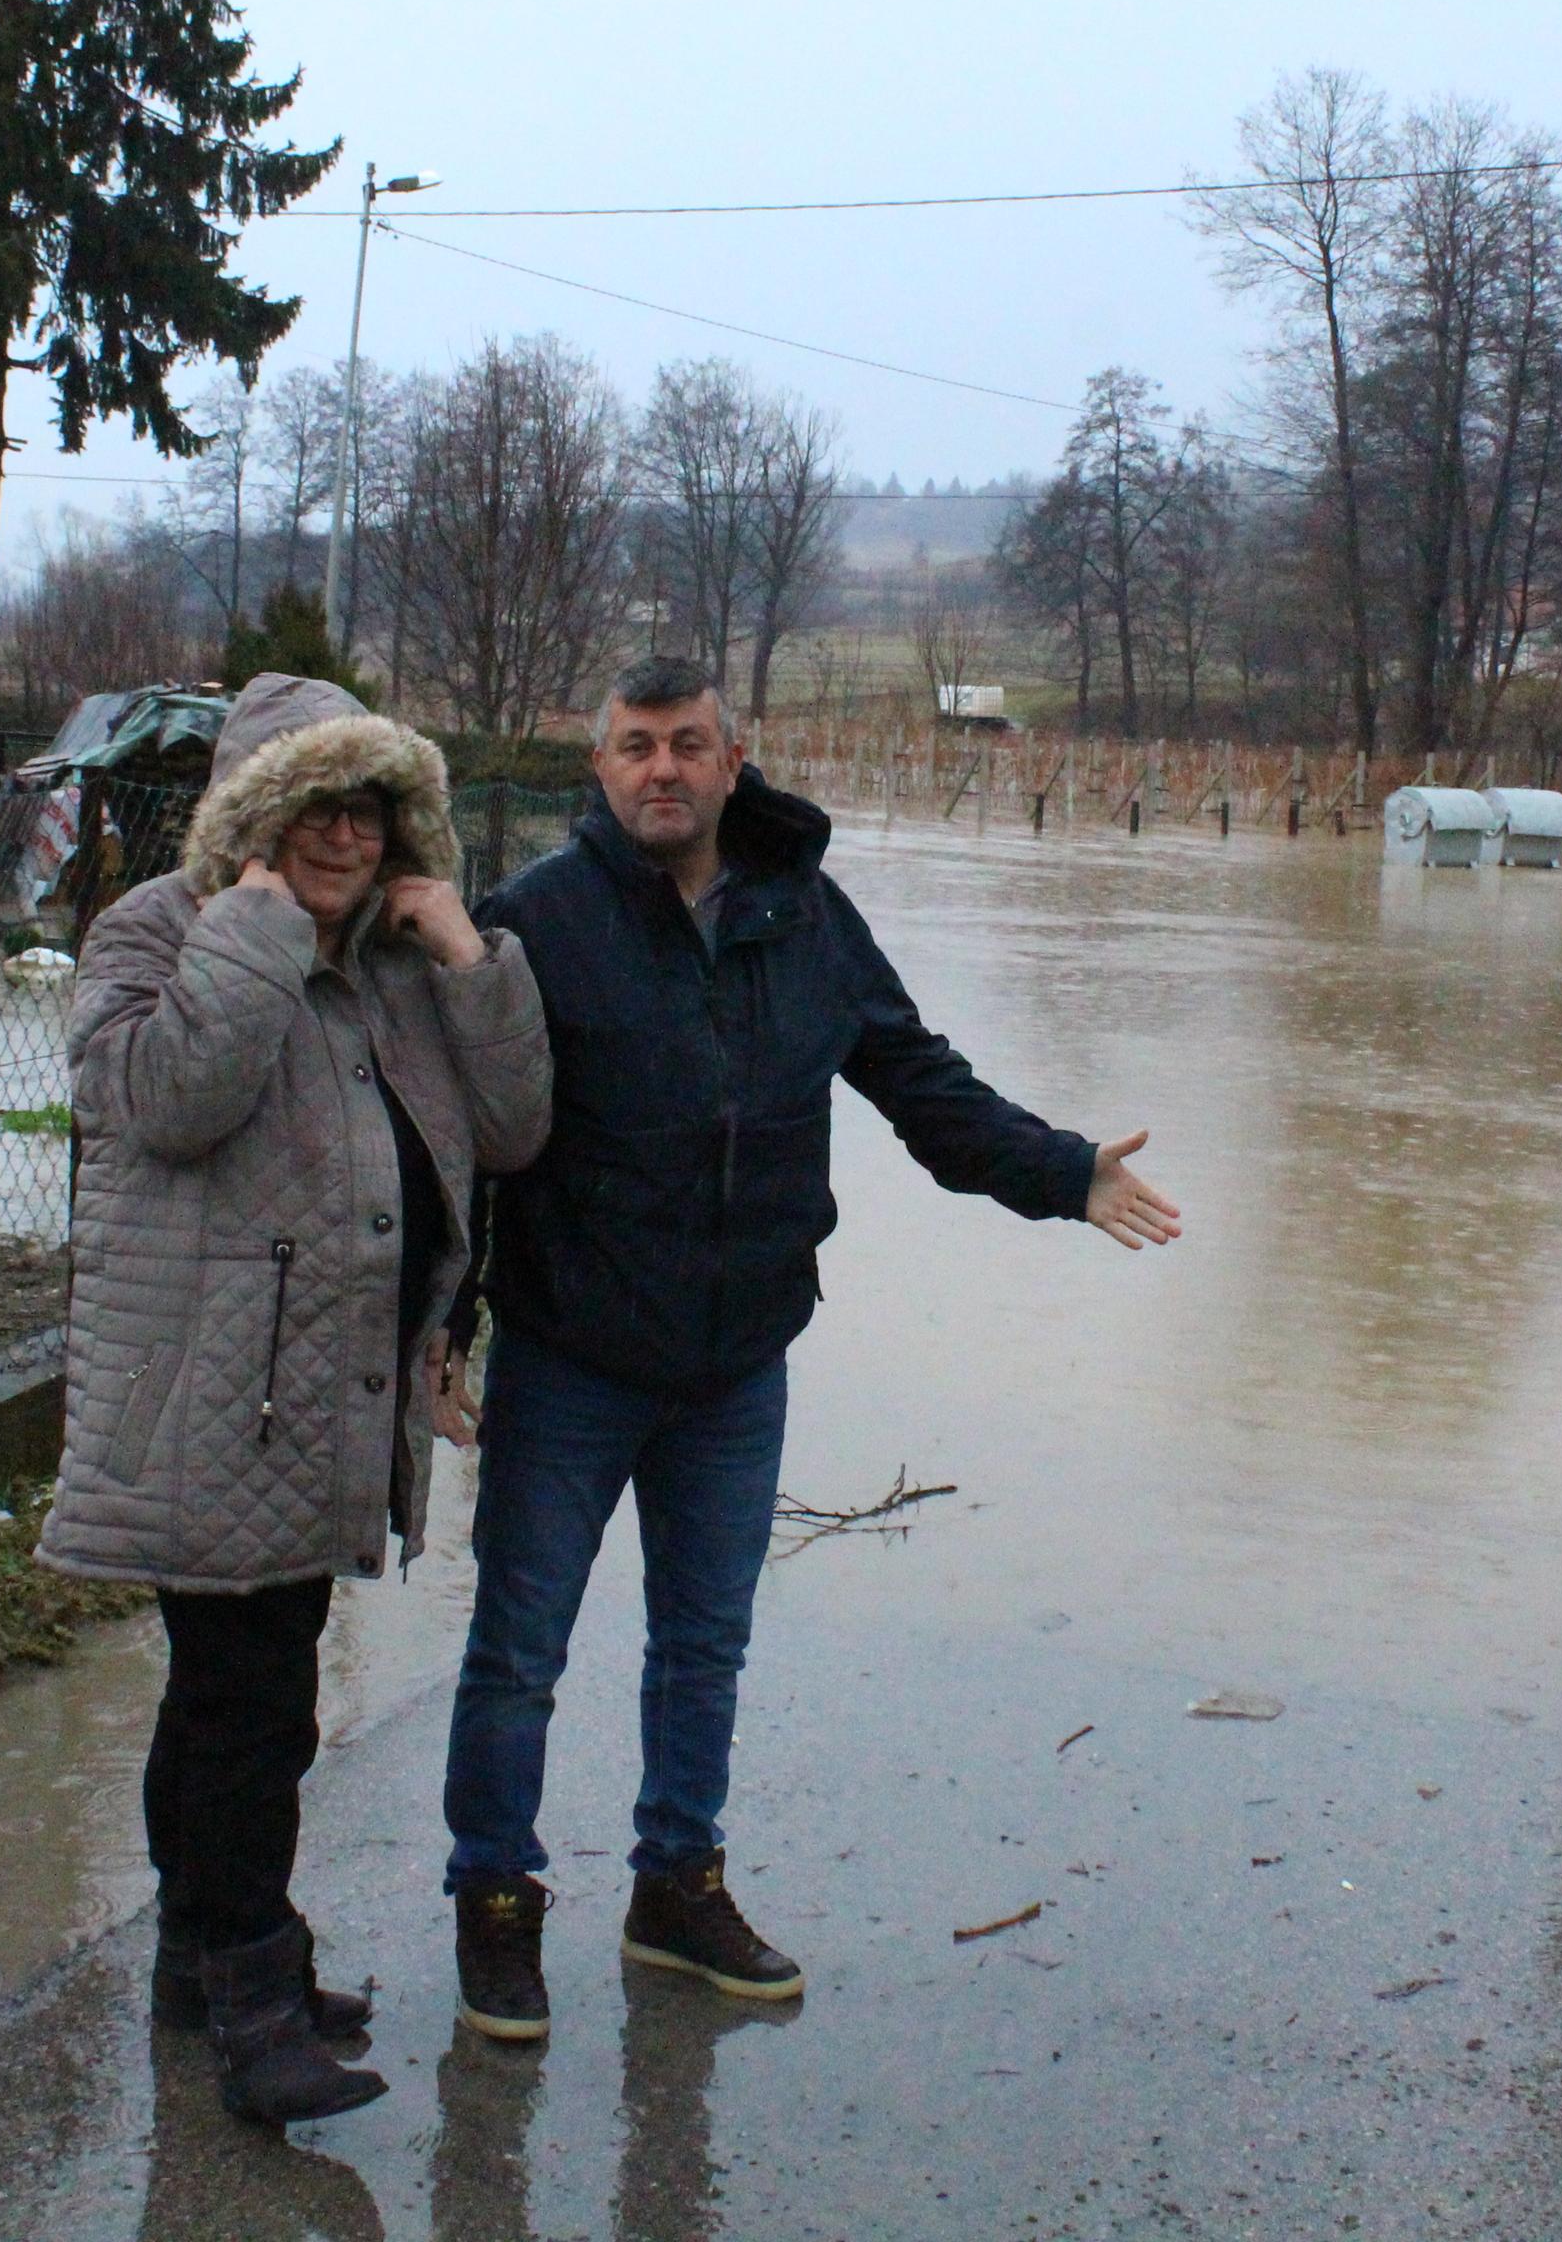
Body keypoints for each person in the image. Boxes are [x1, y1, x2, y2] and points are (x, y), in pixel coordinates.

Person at [439, 656, 1183, 2041]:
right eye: (635, 746)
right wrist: (441, 1330)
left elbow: (917, 1078)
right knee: (517, 1651)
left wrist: (1063, 1170)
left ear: (736, 761)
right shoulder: (534, 923)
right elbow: (472, 1149)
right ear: (597, 770)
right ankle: (495, 1903)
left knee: (704, 1647)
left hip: (737, 1359)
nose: (663, 768)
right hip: (571, 1356)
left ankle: (678, 1887)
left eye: (689, 744)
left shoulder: (805, 915)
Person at [41, 671, 551, 2126]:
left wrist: (466, 952)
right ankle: (254, 1996)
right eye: (313, 806)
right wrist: (255, 923)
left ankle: (199, 1965)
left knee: (228, 1702)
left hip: (334, 1398)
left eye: (372, 806)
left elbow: (515, 1127)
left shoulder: (401, 963)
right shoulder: (154, 932)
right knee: (251, 1711)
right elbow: (165, 1100)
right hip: (213, 1395)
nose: (345, 835)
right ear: (256, 818)